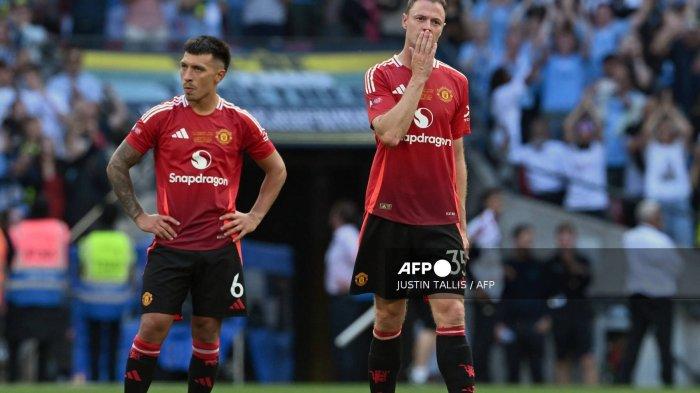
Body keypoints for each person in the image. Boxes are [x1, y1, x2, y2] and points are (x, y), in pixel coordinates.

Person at [106, 35, 286, 393]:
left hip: (220, 248)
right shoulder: (161, 117)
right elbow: (117, 165)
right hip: (171, 245)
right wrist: (141, 217)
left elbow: (276, 170)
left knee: (207, 330)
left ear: (218, 75)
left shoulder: (239, 122)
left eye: (197, 69)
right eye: (184, 66)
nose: (187, 75)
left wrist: (253, 217)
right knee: (153, 324)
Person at [349, 1, 475, 392]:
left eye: (436, 22)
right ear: (404, 21)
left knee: (452, 310)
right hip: (390, 212)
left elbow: (457, 156)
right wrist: (418, 78)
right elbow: (388, 133)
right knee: (389, 317)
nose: (427, 27)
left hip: (439, 217)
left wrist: (462, 222)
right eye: (420, 18)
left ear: (443, 29)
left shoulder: (457, 81)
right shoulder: (380, 75)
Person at [617, 200, 683, 386]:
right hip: (660, 297)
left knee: (634, 341)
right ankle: (667, 381)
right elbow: (676, 266)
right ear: (654, 217)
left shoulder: (629, 237)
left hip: (637, 295)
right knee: (664, 343)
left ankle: (624, 380)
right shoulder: (662, 240)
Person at [72, 203, 135, 382]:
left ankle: (94, 377)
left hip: (91, 300)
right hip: (117, 300)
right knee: (114, 342)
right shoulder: (124, 241)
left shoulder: (89, 241)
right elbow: (131, 273)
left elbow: (81, 271)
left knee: (93, 342)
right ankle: (113, 378)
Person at [496, 224, 550, 384]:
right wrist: (499, 323)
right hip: (511, 325)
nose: (527, 243)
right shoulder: (505, 267)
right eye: (524, 239)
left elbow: (547, 295)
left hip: (535, 324)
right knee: (512, 371)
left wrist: (547, 318)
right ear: (515, 240)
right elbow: (500, 297)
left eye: (530, 240)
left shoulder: (539, 267)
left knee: (537, 370)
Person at [546, 222, 597, 385]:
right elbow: (547, 290)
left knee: (587, 356)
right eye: (562, 239)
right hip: (560, 315)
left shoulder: (583, 261)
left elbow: (587, 281)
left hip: (581, 313)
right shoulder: (551, 263)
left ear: (574, 239)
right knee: (562, 358)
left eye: (569, 238)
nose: (565, 242)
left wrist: (572, 264)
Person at [324, 199, 370, 381]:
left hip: (347, 299)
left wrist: (355, 284)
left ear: (338, 217)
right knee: (342, 340)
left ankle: (350, 379)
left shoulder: (346, 234)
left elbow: (361, 261)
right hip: (341, 298)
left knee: (347, 341)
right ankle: (346, 377)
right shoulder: (342, 236)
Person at [466, 187, 503, 383]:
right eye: (496, 200)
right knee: (482, 334)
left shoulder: (493, 222)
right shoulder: (482, 221)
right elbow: (464, 251)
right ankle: (479, 376)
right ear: (487, 202)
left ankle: (484, 374)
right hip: (482, 288)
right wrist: (475, 285)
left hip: (492, 286)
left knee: (488, 334)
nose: (500, 204)